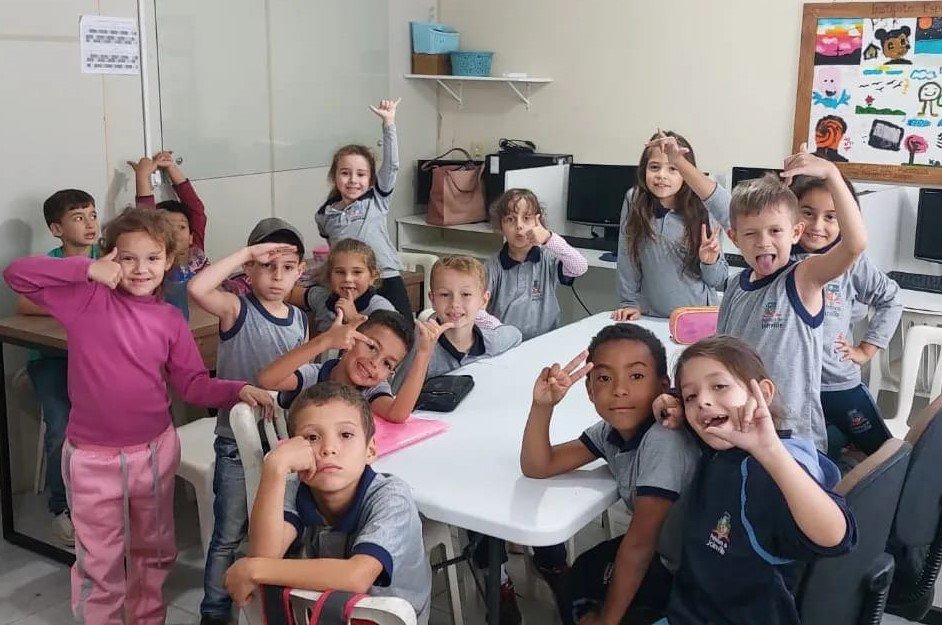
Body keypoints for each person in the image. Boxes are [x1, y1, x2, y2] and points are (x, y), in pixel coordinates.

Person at [3, 208, 272, 625]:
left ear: (168, 261)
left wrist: (236, 389)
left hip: (153, 452)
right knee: (100, 559)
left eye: (152, 258)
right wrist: (86, 268)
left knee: (154, 549)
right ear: (111, 256)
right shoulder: (84, 300)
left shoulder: (170, 319)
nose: (141, 269)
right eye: (128, 258)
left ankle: (148, 618)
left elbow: (192, 385)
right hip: (91, 457)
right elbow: (17, 275)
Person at [662, 336, 856, 625]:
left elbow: (835, 536)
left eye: (719, 386)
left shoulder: (764, 473)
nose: (702, 401)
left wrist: (770, 453)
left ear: (762, 394)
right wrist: (670, 402)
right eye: (691, 396)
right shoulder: (721, 446)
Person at [521, 324, 700, 625]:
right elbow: (539, 466)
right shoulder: (610, 432)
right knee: (578, 579)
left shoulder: (664, 439)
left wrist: (608, 620)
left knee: (594, 602)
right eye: (605, 378)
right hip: (661, 554)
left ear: (663, 385)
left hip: (688, 574)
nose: (619, 390)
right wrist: (543, 406)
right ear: (590, 390)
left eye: (636, 376)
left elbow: (640, 545)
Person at [223, 382, 432, 624]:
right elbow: (264, 555)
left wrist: (254, 569)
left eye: (346, 435)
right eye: (312, 437)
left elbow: (357, 576)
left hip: (386, 618)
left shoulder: (392, 497)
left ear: (370, 450)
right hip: (325, 611)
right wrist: (275, 468)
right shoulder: (293, 488)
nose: (328, 449)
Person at [187, 217, 308, 625]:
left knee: (281, 529)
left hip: (282, 444)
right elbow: (197, 289)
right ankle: (214, 612)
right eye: (266, 266)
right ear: (249, 270)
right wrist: (246, 253)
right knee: (229, 533)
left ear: (300, 271)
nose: (277, 276)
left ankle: (276, 605)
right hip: (235, 446)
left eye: (287, 267)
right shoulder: (236, 308)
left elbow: (299, 381)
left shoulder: (299, 319)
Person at [714, 147, 868, 451]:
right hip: (746, 427)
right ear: (734, 238)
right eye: (751, 234)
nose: (764, 242)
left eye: (775, 231)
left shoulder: (803, 277)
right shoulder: (735, 287)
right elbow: (722, 356)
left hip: (793, 436)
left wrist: (832, 175)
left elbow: (855, 244)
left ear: (796, 232)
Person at [790, 174, 901, 460]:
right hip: (791, 389)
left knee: (882, 456)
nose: (817, 226)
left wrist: (865, 349)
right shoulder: (779, 257)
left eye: (831, 217)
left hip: (838, 383)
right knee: (807, 459)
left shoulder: (851, 261)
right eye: (807, 213)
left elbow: (890, 298)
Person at [16, 188, 101, 545]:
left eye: (93, 215)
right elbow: (24, 305)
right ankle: (62, 507)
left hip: (96, 358)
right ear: (56, 229)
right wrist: (73, 306)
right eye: (78, 218)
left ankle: (110, 497)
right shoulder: (48, 264)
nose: (90, 223)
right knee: (62, 427)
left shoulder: (107, 257)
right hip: (51, 359)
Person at [613, 131, 731, 321]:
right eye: (654, 167)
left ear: (686, 173)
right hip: (651, 317)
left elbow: (718, 279)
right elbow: (627, 256)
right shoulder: (634, 199)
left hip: (696, 317)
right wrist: (628, 303)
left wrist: (710, 261)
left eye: (673, 169)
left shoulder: (703, 206)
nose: (661, 175)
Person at [316, 98, 413, 319]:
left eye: (360, 174)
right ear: (334, 176)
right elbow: (335, 254)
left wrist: (388, 124)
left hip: (386, 278)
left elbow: (392, 166)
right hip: (352, 285)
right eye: (345, 173)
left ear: (370, 179)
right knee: (357, 329)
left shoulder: (376, 200)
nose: (353, 180)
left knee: (401, 329)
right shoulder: (324, 215)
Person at [289, 238, 395, 334]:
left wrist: (354, 318)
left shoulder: (380, 307)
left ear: (372, 277)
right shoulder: (322, 297)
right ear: (329, 275)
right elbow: (288, 294)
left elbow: (390, 342)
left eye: (357, 272)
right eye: (340, 272)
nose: (347, 278)